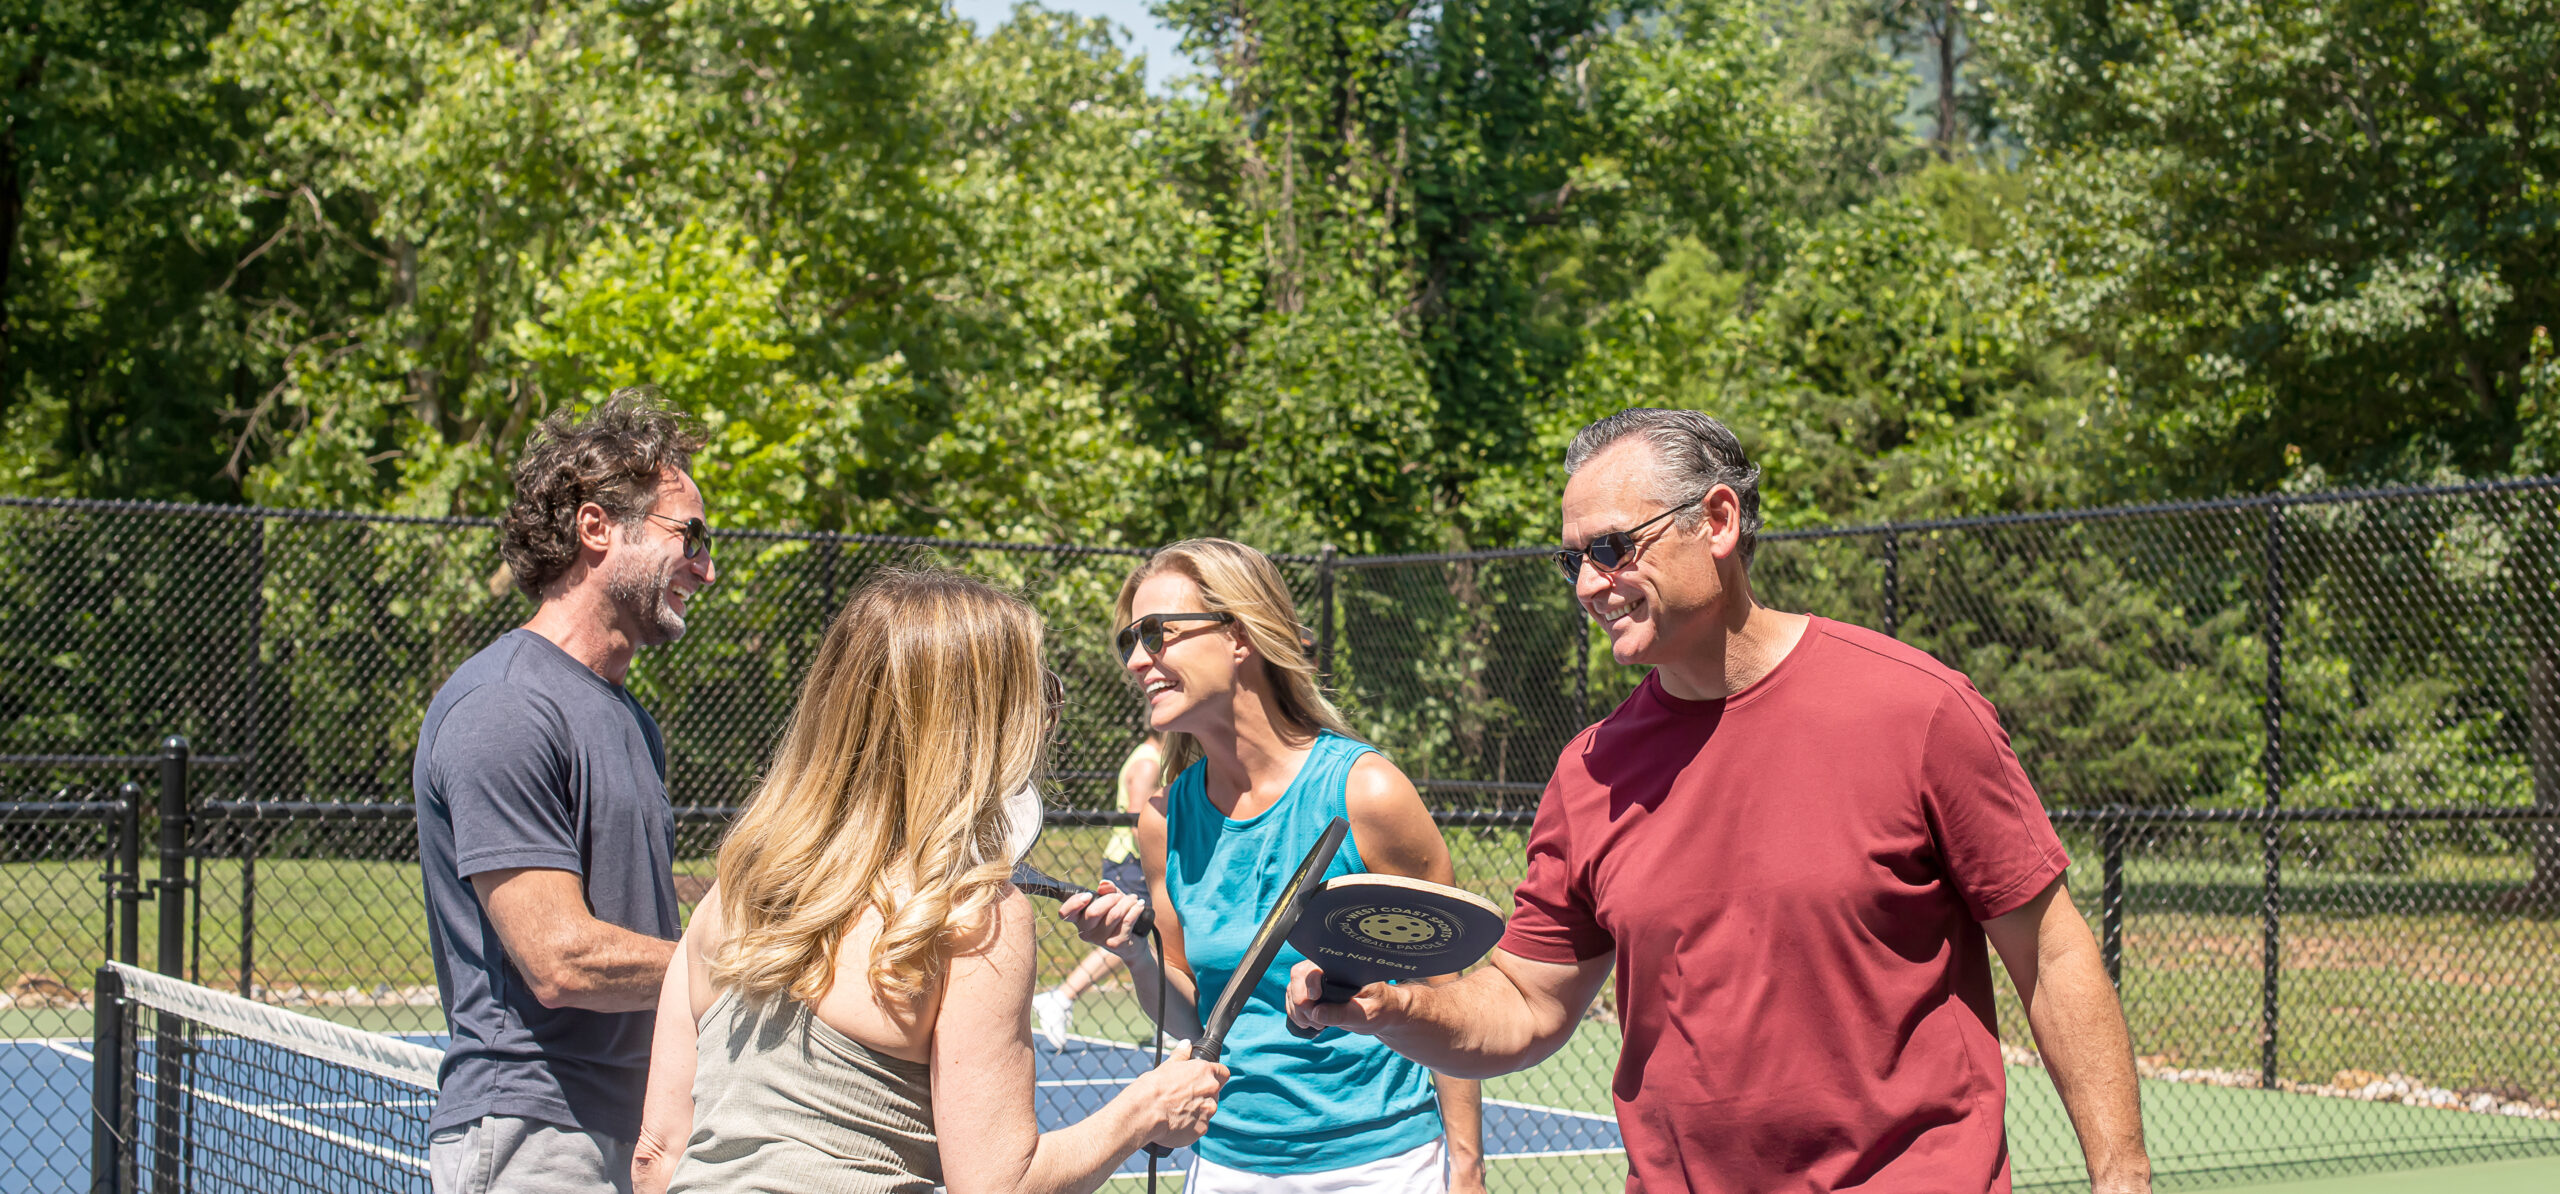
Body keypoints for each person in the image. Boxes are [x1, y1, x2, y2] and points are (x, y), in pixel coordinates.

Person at [1287, 408, 2154, 1194]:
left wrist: (2121, 1179)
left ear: (1718, 522)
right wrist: (1389, 1007)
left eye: (1611, 548)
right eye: (1572, 559)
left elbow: (2052, 952)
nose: (1589, 584)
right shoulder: (1591, 772)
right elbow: (1524, 1006)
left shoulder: (1917, 710)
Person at [630, 569, 1228, 1194]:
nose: (1049, 721)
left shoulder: (735, 891)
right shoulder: (972, 914)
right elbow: (999, 1184)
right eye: (1040, 697)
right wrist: (1144, 1111)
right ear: (982, 724)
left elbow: (655, 1154)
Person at [1062, 539, 1489, 1194]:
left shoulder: (1366, 792)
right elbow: (1199, 1019)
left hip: (1383, 1168)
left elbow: (1445, 986)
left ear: (1239, 636)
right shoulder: (1163, 822)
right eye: (1130, 642)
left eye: (1158, 634)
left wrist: (1467, 1172)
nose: (1138, 660)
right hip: (1226, 1165)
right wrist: (1138, 958)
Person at [414, 388, 717, 1194]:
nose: (706, 567)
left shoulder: (628, 720)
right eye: (689, 535)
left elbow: (632, 921)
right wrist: (750, 962)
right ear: (595, 529)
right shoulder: (504, 706)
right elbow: (560, 959)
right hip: (535, 1135)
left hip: (633, 1126)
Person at [1033, 732, 1168, 1049]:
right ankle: (1062, 996)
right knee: (1131, 936)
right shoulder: (1149, 763)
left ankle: (1165, 1024)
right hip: (1134, 862)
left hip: (1133, 862)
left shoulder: (1152, 758)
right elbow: (1139, 823)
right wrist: (1159, 869)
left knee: (1144, 940)